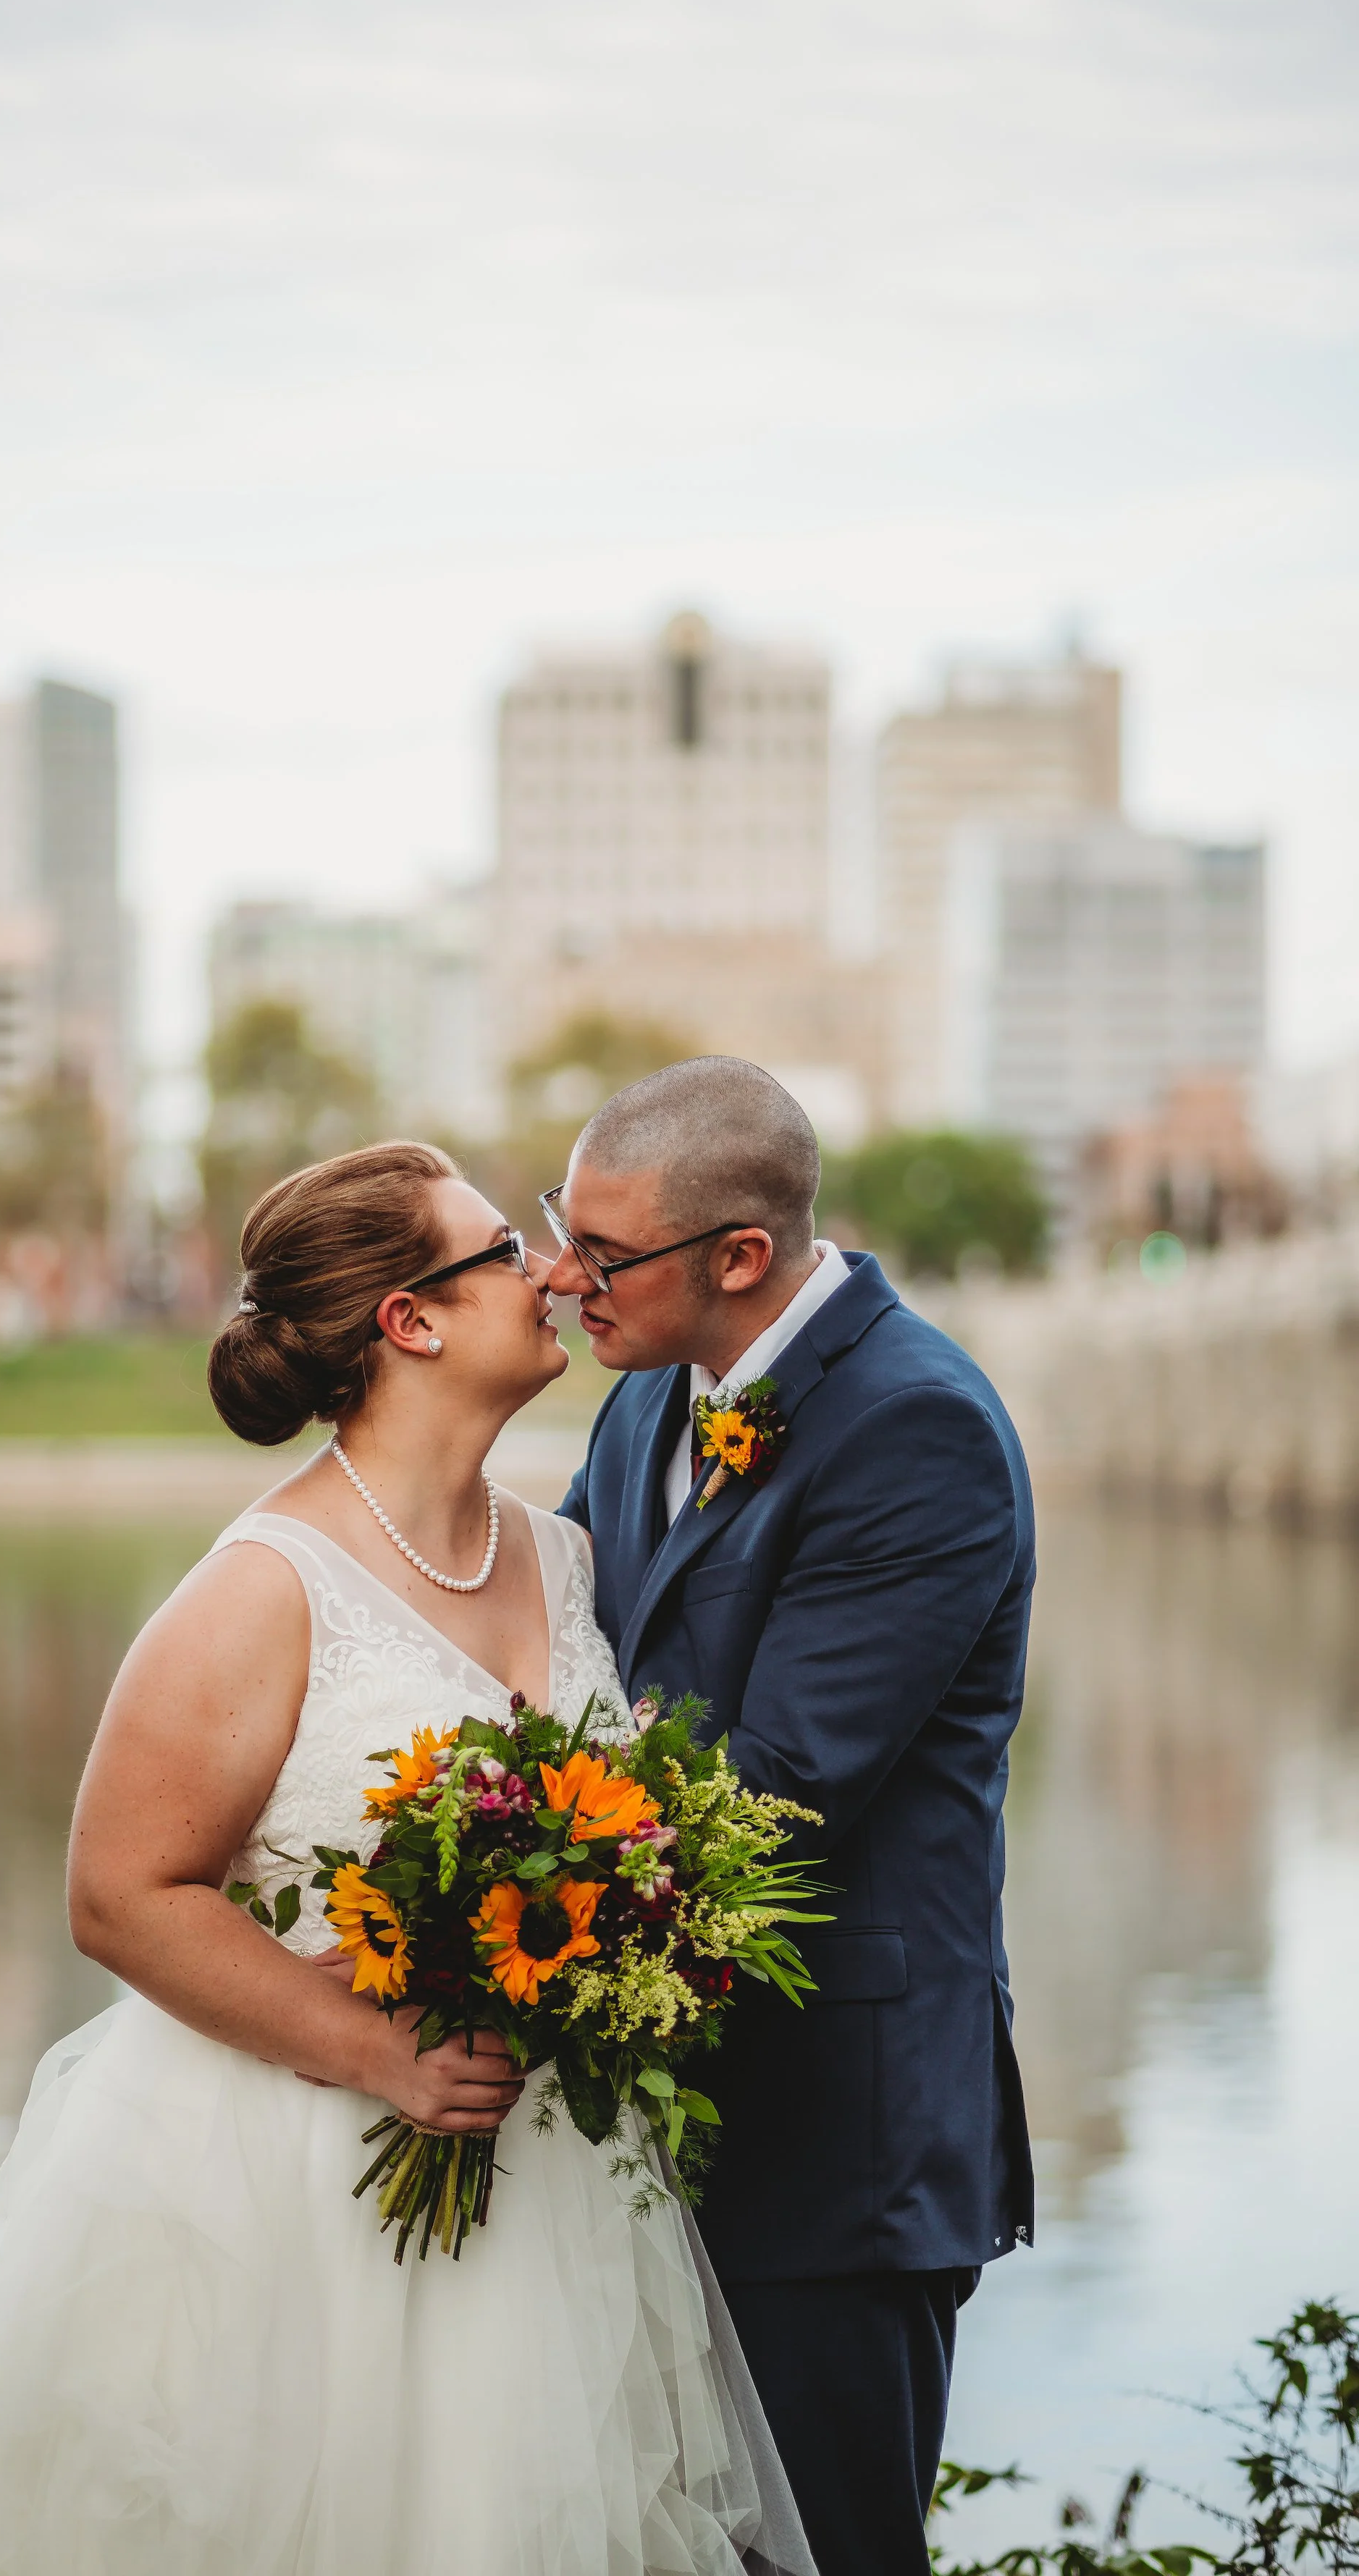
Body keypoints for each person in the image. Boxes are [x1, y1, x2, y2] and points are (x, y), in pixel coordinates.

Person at [0, 1139, 814, 2576]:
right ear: (410, 1319)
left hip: (542, 2196)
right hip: (293, 2201)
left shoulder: (559, 1558)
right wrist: (379, 2052)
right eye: (507, 1251)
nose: (553, 1272)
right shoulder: (265, 1587)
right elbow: (117, 1896)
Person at [550, 1058, 1036, 2576]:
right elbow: (557, 1648)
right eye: (560, 1229)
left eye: (602, 1252)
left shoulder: (919, 1429)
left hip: (840, 2133)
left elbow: (772, 1790)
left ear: (741, 1256)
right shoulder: (648, 1397)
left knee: (829, 2552)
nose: (563, 1277)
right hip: (659, 2108)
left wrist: (519, 1866)